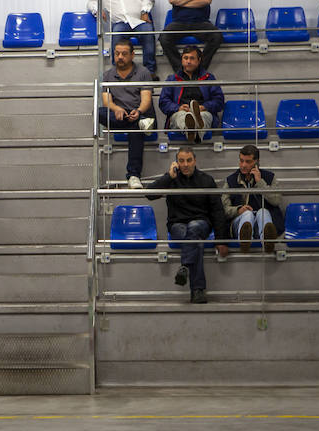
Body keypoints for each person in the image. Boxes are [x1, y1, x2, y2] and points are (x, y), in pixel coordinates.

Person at [146, 147, 228, 304]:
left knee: (194, 227)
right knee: (194, 240)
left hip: (201, 223)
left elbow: (217, 211)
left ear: (195, 161)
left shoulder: (207, 180)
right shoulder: (171, 179)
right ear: (176, 162)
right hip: (178, 225)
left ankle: (185, 266)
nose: (185, 164)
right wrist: (168, 177)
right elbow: (149, 194)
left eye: (189, 160)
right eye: (181, 161)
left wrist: (221, 239)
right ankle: (197, 291)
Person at [99, 40, 156, 190]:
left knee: (135, 128)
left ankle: (133, 175)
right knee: (99, 112)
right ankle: (139, 123)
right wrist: (117, 109)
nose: (120, 57)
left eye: (124, 54)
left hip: (140, 112)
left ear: (132, 55)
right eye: (117, 53)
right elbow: (106, 101)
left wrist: (138, 111)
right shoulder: (108, 75)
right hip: (120, 115)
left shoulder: (143, 72)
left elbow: (146, 100)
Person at [221, 145, 283, 253]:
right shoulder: (230, 180)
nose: (243, 165)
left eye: (248, 162)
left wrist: (260, 182)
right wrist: (238, 210)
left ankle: (268, 242)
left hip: (260, 222)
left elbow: (276, 200)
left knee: (262, 212)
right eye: (241, 161)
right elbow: (223, 208)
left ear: (256, 162)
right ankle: (245, 240)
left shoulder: (269, 177)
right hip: (239, 223)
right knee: (247, 214)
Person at [158, 45, 223, 144]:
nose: (188, 61)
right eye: (185, 58)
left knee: (203, 116)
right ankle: (195, 133)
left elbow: (219, 101)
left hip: (203, 112)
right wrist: (178, 108)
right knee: (182, 116)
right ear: (182, 60)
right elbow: (163, 102)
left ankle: (191, 132)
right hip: (180, 112)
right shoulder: (172, 79)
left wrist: (205, 107)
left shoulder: (209, 78)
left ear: (199, 60)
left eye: (192, 58)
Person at [87, 0, 159, 79]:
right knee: (117, 33)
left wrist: (144, 11)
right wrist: (97, 11)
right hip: (120, 22)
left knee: (148, 31)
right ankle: (116, 73)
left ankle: (150, 73)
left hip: (139, 21)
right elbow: (91, 3)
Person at [160, 0, 222, 73]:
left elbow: (207, 1)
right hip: (179, 22)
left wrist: (181, 3)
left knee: (216, 36)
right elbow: (173, 1)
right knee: (164, 37)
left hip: (201, 22)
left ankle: (200, 70)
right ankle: (181, 71)